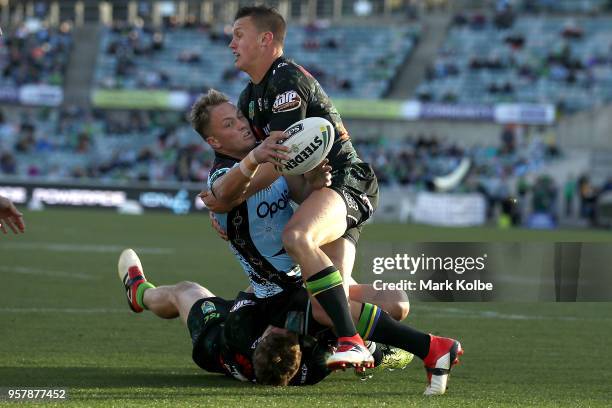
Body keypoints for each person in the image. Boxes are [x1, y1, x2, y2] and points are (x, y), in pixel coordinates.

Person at [189, 90, 462, 394]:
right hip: (277, 294)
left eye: (239, 116)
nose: (240, 124)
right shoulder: (221, 176)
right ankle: (430, 347)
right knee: (326, 311)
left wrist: (315, 184)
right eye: (228, 124)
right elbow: (225, 194)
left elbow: (300, 193)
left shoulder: (271, 161)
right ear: (214, 142)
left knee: (395, 303)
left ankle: (369, 344)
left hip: (303, 273)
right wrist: (255, 158)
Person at [224, 4, 381, 370]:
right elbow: (279, 171)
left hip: (346, 182)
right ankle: (418, 343)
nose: (231, 43)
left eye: (238, 34)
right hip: (318, 191)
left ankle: (353, 341)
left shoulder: (286, 81)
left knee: (296, 237)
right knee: (331, 303)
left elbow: (275, 160)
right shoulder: (249, 98)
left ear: (265, 40)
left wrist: (226, 198)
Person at [116, 248, 413, 386]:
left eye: (278, 327)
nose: (283, 323)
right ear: (301, 344)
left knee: (185, 291)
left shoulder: (241, 328)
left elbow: (262, 283)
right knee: (396, 304)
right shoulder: (317, 362)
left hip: (217, 345)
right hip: (282, 334)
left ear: (264, 337)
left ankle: (139, 293)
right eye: (289, 328)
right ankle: (378, 351)